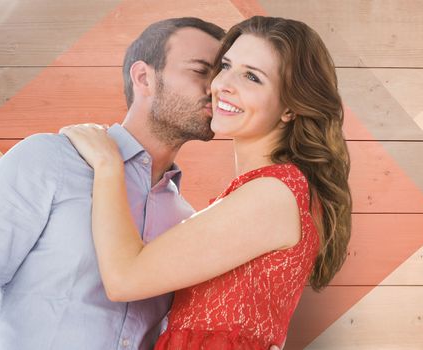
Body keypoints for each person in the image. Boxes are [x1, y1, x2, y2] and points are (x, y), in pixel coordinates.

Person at [61, 16, 353, 350]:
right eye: (226, 66)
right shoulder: (270, 191)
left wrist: (108, 164)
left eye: (252, 77)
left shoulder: (274, 192)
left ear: (289, 108)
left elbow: (124, 279)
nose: (222, 84)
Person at [0, 17, 227, 350]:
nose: (216, 88)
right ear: (144, 77)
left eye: (220, 76)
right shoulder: (49, 161)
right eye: (201, 70)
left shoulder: (185, 220)